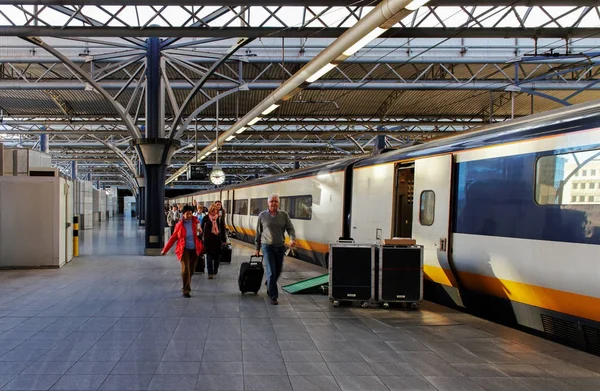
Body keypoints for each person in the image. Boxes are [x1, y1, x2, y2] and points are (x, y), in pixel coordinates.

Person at [255, 194, 296, 305]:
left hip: (280, 247)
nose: (274, 203)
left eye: (276, 201)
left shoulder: (284, 215)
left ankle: (270, 283)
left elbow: (290, 228)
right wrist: (257, 248)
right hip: (267, 246)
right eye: (272, 201)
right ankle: (273, 296)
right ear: (268, 203)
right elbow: (258, 233)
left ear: (279, 203)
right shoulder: (262, 215)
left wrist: (292, 238)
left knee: (278, 270)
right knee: (272, 271)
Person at [162, 205, 203, 298]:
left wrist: (200, 231)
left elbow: (199, 233)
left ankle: (187, 281)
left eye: (190, 213)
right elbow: (173, 238)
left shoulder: (195, 222)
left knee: (192, 270)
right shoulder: (179, 225)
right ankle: (186, 290)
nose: (189, 215)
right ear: (183, 214)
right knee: (186, 270)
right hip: (184, 249)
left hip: (194, 249)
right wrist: (165, 250)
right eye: (187, 213)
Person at [202, 204, 227, 279]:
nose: (214, 212)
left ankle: (215, 269)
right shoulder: (206, 218)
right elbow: (202, 228)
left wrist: (224, 240)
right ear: (210, 210)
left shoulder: (219, 218)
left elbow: (222, 229)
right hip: (208, 241)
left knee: (217, 258)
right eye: (213, 210)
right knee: (209, 258)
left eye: (215, 210)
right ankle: (210, 273)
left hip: (217, 241)